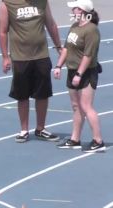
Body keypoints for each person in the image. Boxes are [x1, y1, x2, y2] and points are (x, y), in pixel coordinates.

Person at [0, 0, 63, 143]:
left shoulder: (42, 2)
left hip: (41, 55)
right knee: (22, 94)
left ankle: (41, 128)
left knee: (43, 93)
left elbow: (51, 24)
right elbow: (3, 31)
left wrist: (59, 46)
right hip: (20, 57)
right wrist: (5, 57)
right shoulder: (7, 3)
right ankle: (24, 130)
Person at [54, 0, 105, 152]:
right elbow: (66, 49)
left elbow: (88, 55)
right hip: (72, 71)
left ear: (82, 11)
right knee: (76, 107)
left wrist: (79, 73)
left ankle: (98, 141)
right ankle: (75, 139)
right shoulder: (75, 26)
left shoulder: (91, 30)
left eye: (75, 8)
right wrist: (58, 66)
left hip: (86, 72)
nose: (72, 11)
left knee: (86, 106)